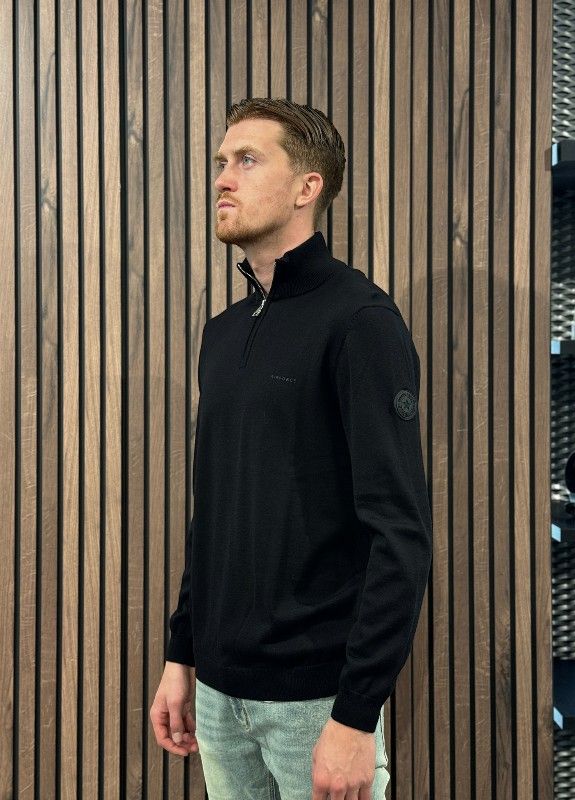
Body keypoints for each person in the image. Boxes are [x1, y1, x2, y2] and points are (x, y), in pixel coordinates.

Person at [150, 97, 433, 800]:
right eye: (221, 161)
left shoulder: (360, 321)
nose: (223, 177)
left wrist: (355, 715)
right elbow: (214, 512)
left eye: (247, 160)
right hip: (217, 696)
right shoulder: (223, 332)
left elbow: (399, 534)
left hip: (315, 705)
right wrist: (182, 654)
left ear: (308, 186)